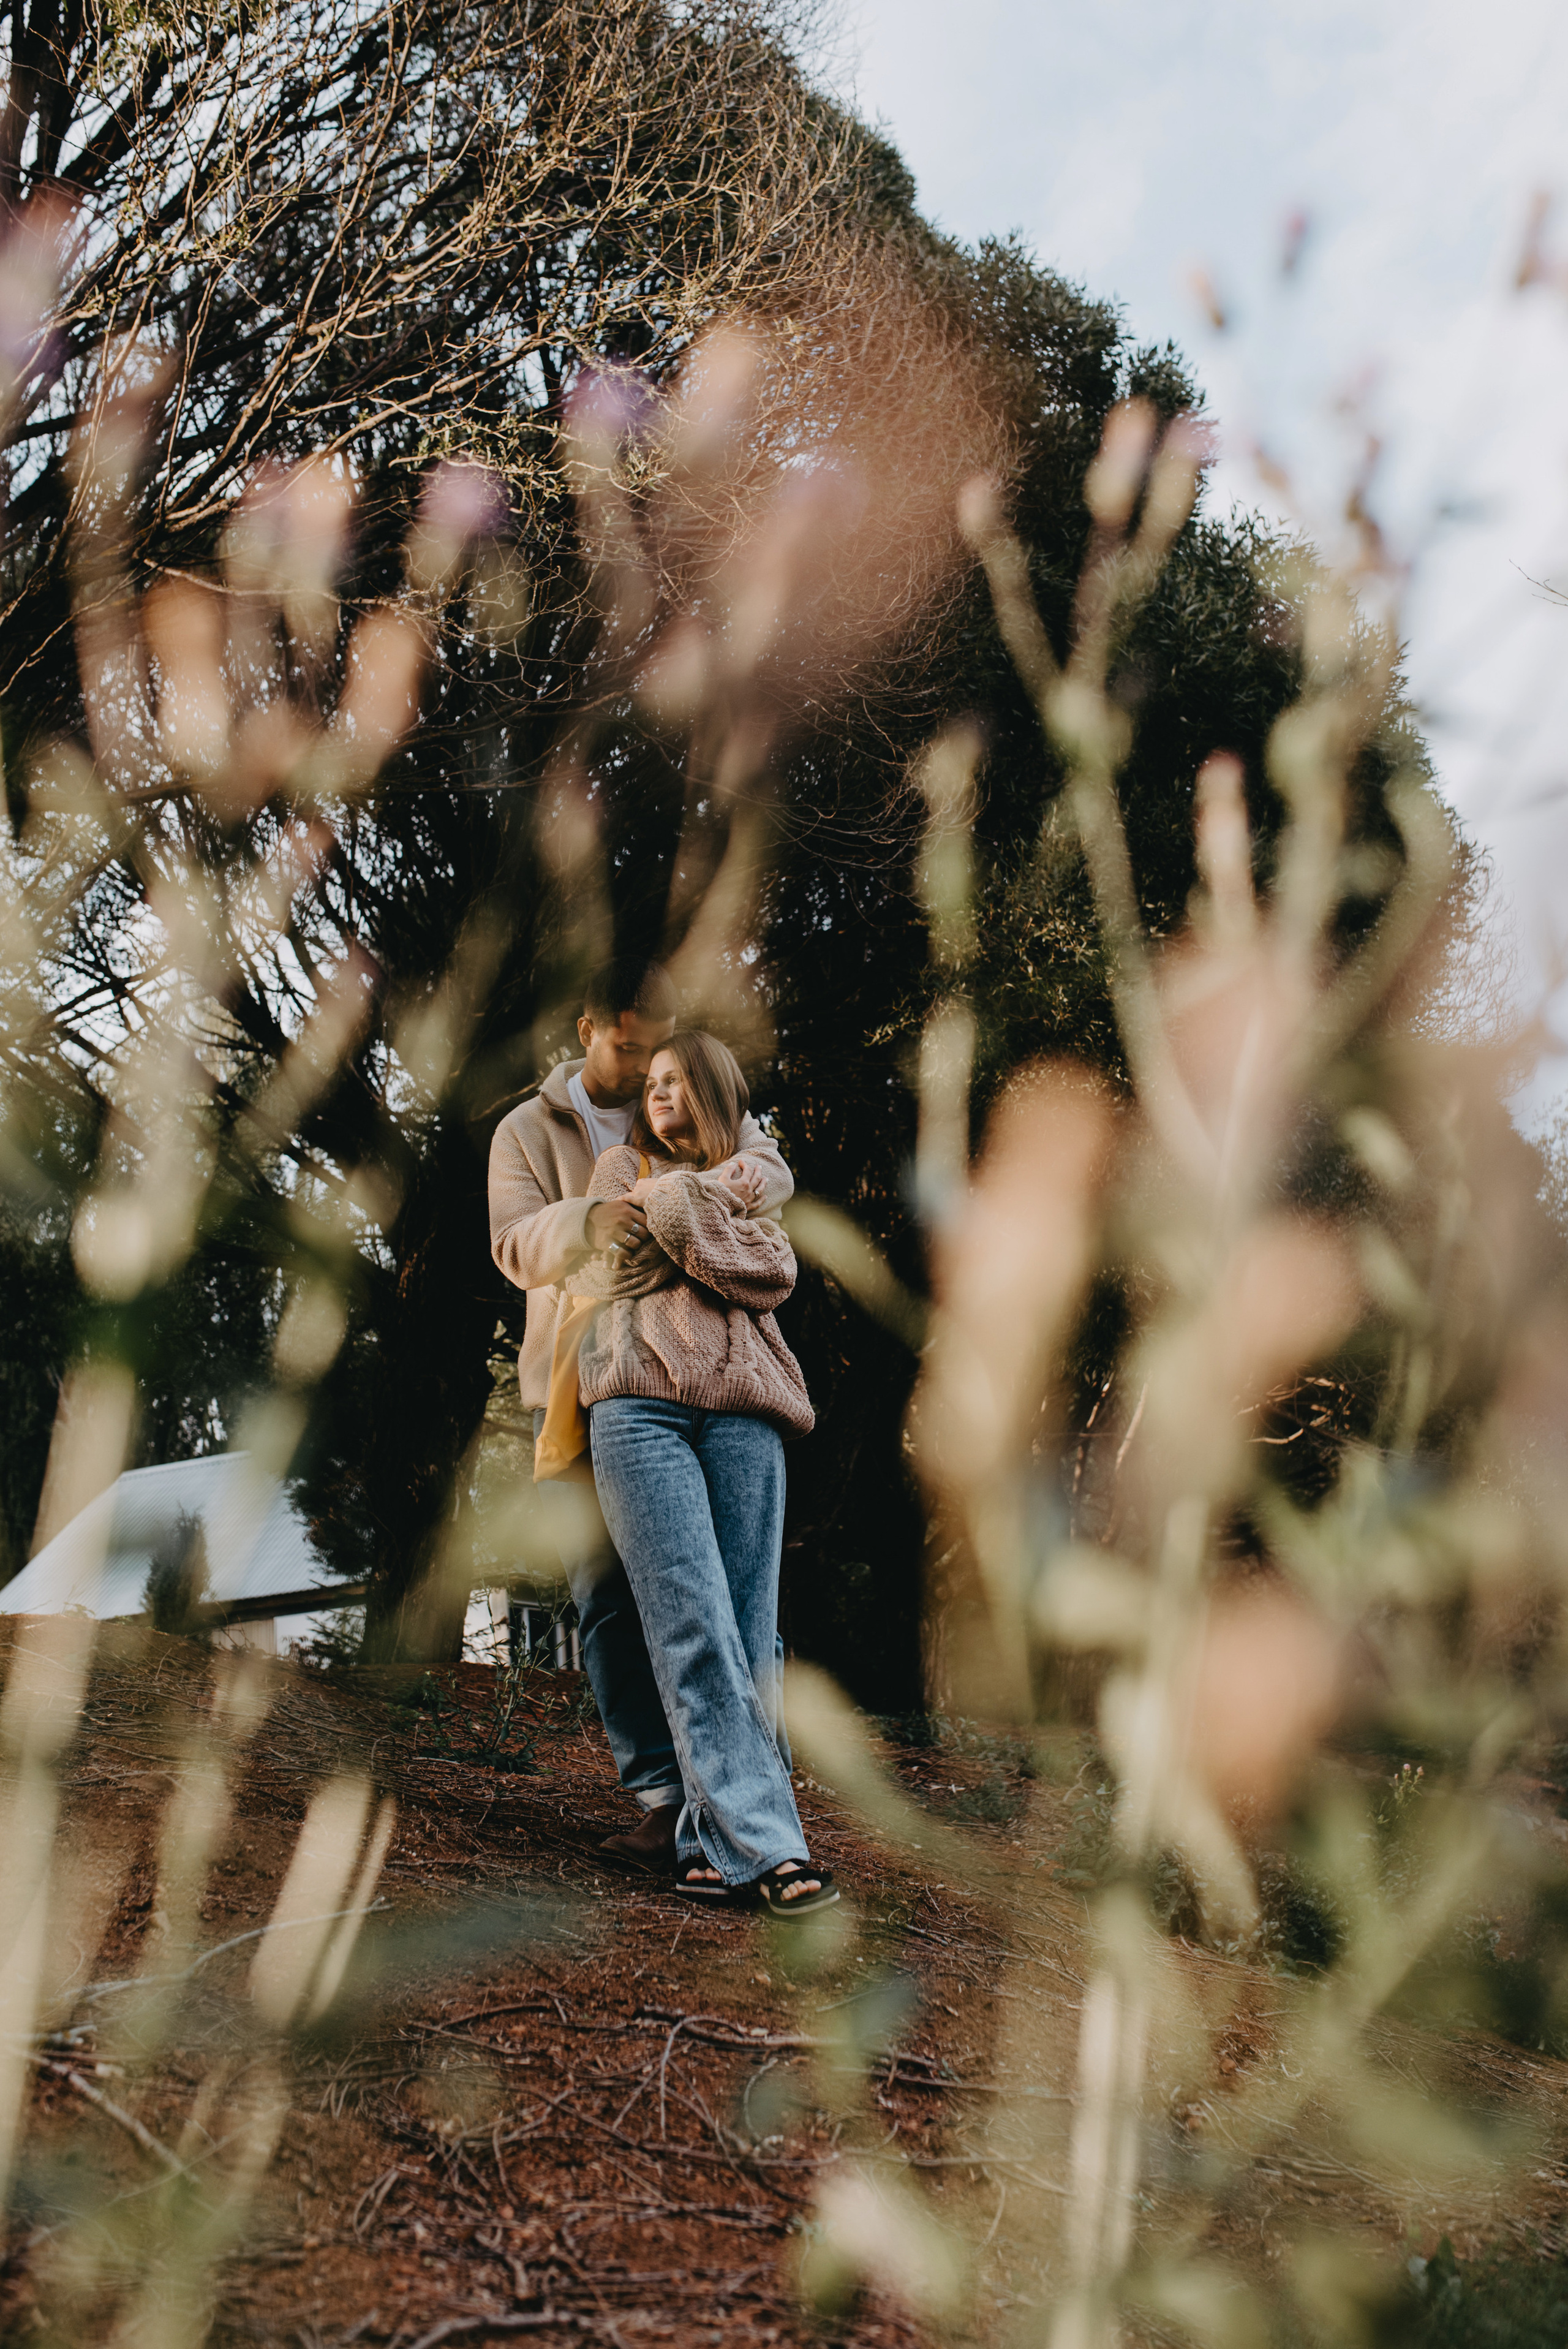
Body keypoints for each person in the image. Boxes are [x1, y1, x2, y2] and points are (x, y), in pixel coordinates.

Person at [488, 960, 794, 1872]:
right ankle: (663, 1794)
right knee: (606, 1591)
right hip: (588, 1380)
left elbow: (769, 1174)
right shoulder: (529, 1128)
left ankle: (734, 1798)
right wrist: (595, 1217)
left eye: (655, 1041)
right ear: (587, 1030)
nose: (642, 1064)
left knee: (724, 1597)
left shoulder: (699, 1092)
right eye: (627, 1044)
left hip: (712, 1375)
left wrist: (671, 1204)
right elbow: (517, 1242)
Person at [568, 1031, 837, 1914]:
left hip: (747, 1416)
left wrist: (679, 1207)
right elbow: (615, 1264)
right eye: (652, 1081)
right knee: (688, 1618)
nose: (660, 1091)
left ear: (716, 1092)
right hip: (637, 1407)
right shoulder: (615, 1171)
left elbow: (775, 1270)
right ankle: (774, 1846)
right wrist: (696, 1207)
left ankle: (704, 1841)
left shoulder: (754, 1182)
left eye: (679, 1080)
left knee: (749, 1638)